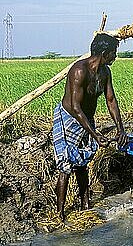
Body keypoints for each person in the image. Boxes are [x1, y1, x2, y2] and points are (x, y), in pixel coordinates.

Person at [52, 33, 128, 221]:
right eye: (113, 53)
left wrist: (121, 128)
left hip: (87, 118)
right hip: (69, 118)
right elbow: (76, 108)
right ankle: (60, 214)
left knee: (83, 163)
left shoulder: (105, 73)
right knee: (66, 165)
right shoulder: (79, 71)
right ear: (104, 53)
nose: (115, 57)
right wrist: (95, 134)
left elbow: (110, 100)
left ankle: (85, 205)